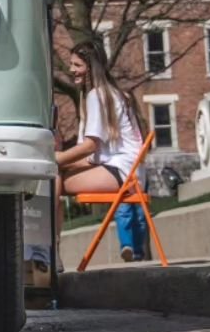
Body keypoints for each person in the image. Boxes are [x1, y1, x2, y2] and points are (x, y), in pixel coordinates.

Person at [54, 42, 145, 258]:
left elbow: (90, 146)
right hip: (122, 168)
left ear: (91, 67)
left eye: (77, 65)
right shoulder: (107, 94)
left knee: (51, 181)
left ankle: (50, 249)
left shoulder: (98, 96)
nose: (71, 70)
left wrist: (56, 159)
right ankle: (51, 249)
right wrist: (60, 161)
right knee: (53, 174)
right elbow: (94, 154)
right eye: (71, 64)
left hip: (124, 173)